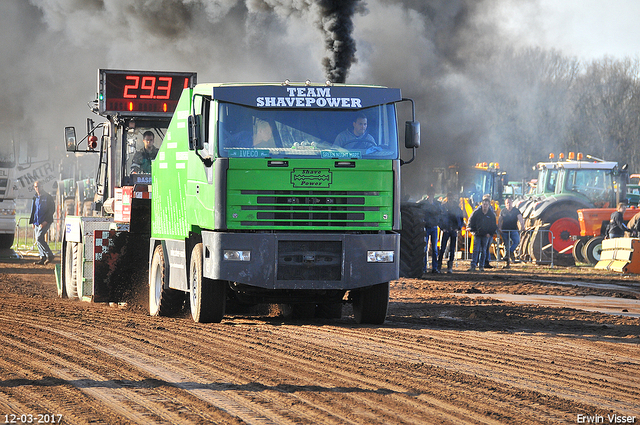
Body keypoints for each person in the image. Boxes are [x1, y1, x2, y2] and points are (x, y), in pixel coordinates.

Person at [467, 194, 497, 271]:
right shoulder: (476, 212)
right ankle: (473, 266)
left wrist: (490, 233)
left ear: (488, 205)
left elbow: (493, 225)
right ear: (481, 204)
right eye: (484, 204)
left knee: (483, 251)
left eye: (486, 204)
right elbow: (471, 221)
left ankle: (481, 266)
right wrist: (472, 229)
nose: (485, 206)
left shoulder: (491, 214)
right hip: (477, 234)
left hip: (486, 235)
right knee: (476, 250)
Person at [29, 180, 55, 265]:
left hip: (45, 222)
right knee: (39, 240)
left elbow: (51, 210)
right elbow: (33, 210)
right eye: (36, 187)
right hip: (37, 222)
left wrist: (46, 221)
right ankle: (42, 257)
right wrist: (33, 221)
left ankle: (49, 255)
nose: (37, 188)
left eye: (39, 186)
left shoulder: (48, 197)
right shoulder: (35, 197)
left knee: (39, 238)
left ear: (42, 186)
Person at [437, 192, 464, 274]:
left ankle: (450, 267)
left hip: (453, 230)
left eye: (452, 197)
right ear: (447, 197)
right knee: (442, 249)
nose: (451, 198)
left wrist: (458, 228)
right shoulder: (443, 207)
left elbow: (461, 218)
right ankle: (439, 266)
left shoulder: (457, 208)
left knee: (452, 249)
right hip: (446, 230)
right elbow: (440, 218)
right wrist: (442, 228)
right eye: (450, 197)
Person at [498, 197, 525, 268]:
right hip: (505, 231)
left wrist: (522, 226)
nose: (508, 204)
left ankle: (510, 252)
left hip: (514, 230)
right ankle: (507, 264)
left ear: (512, 203)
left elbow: (520, 219)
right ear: (505, 204)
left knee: (517, 241)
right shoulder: (503, 211)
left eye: (509, 202)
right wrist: (499, 228)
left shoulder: (516, 211)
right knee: (506, 245)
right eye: (507, 203)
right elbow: (500, 220)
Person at [421, 186, 442, 274]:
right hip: (426, 227)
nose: (432, 195)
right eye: (430, 193)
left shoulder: (437, 204)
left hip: (434, 227)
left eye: (433, 193)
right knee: (425, 248)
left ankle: (434, 268)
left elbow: (440, 212)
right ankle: (424, 268)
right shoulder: (423, 203)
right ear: (428, 194)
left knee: (435, 249)